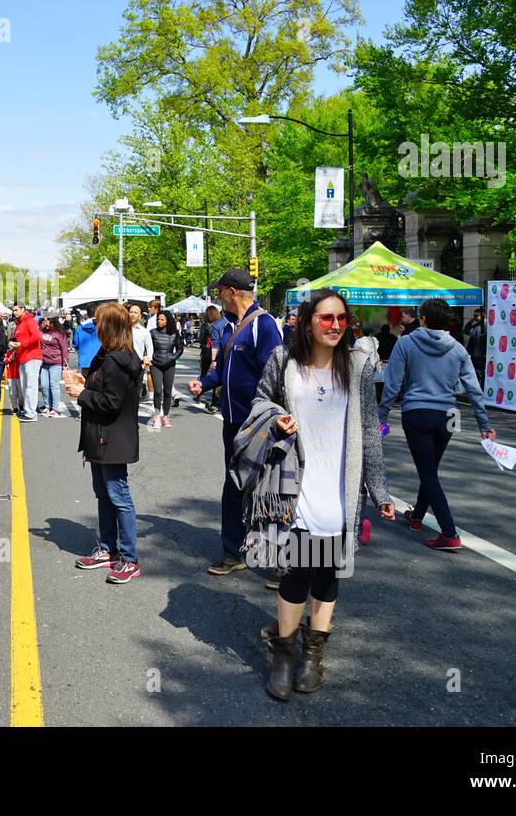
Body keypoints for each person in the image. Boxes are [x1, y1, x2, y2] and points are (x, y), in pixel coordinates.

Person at [238, 288, 394, 700]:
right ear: (308, 320)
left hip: (341, 489)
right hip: (297, 485)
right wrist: (277, 420)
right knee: (297, 572)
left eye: (342, 318)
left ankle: (313, 654)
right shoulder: (283, 360)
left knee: (327, 575)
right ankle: (284, 655)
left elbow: (369, 432)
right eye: (326, 318)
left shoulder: (358, 365)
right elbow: (260, 401)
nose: (336, 325)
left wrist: (380, 491)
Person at [187, 268, 283, 578]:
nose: (217, 296)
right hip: (231, 421)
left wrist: (267, 417)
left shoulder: (264, 326)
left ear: (231, 292)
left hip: (256, 424)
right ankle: (233, 552)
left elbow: (274, 375)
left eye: (220, 291)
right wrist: (204, 382)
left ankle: (279, 565)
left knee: (266, 491)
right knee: (233, 485)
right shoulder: (230, 327)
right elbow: (223, 369)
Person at [380, 298, 496, 552]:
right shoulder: (457, 348)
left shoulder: (406, 343)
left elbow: (393, 383)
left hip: (417, 413)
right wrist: (483, 423)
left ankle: (449, 532)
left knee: (428, 472)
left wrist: (381, 415)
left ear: (422, 319)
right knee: (430, 468)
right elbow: (473, 388)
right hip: (448, 416)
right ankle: (418, 515)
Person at [64, 303, 143, 584]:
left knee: (119, 497)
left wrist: (81, 393)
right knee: (104, 495)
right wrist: (82, 381)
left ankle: (129, 559)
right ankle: (108, 549)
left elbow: (111, 403)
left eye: (98, 322)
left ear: (108, 326)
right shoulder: (108, 355)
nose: (94, 326)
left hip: (112, 438)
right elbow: (100, 388)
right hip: (99, 437)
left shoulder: (118, 360)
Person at [148, 309, 185, 431]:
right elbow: (147, 348)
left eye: (162, 319)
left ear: (168, 320)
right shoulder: (152, 333)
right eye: (158, 319)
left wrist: (172, 357)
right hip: (156, 364)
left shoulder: (174, 333)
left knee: (168, 392)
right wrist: (149, 359)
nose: (159, 321)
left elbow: (180, 349)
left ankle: (166, 416)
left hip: (169, 365)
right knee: (158, 391)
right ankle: (157, 416)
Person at [10, 303, 42, 422]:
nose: (14, 312)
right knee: (24, 387)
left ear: (23, 310)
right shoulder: (20, 322)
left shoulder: (29, 320)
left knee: (30, 386)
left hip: (32, 356)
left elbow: (36, 336)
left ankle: (31, 413)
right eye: (13, 310)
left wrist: (21, 344)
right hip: (23, 357)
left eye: (16, 310)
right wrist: (15, 346)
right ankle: (28, 410)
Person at [38, 314, 70, 417]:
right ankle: (47, 406)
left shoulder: (59, 333)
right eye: (44, 321)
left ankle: (55, 408)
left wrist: (65, 363)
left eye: (48, 322)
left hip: (56, 363)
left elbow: (64, 348)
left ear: (53, 322)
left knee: (53, 385)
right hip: (44, 363)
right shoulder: (42, 331)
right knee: (44, 385)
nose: (46, 324)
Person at [197, 305, 221, 413]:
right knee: (217, 376)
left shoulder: (205, 325)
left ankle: (198, 394)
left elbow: (201, 339)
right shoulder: (221, 325)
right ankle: (215, 402)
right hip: (218, 352)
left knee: (203, 373)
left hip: (207, 351)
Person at [127, 304, 153, 403]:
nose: (132, 314)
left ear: (140, 316)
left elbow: (150, 348)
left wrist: (147, 360)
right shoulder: (121, 329)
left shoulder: (144, 332)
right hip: (123, 363)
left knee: (135, 391)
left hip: (138, 364)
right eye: (131, 312)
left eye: (135, 312)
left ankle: (133, 415)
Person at [73, 309, 102, 380]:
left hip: (85, 359)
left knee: (86, 382)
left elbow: (76, 344)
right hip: (99, 358)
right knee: (98, 381)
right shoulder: (101, 327)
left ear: (88, 314)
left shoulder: (80, 327)